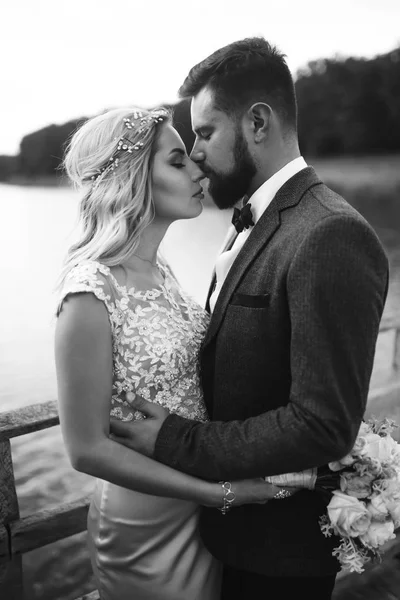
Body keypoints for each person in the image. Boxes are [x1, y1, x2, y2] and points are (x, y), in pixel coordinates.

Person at [109, 38, 390, 600]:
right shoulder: (255, 223)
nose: (196, 153)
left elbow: (321, 424)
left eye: (206, 132)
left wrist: (175, 438)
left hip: (277, 556)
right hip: (227, 540)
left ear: (258, 122)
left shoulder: (328, 233)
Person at [54, 106, 286, 600]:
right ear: (133, 178)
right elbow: (84, 448)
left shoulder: (163, 272)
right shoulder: (90, 292)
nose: (199, 170)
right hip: (146, 522)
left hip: (201, 503)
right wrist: (217, 492)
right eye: (178, 161)